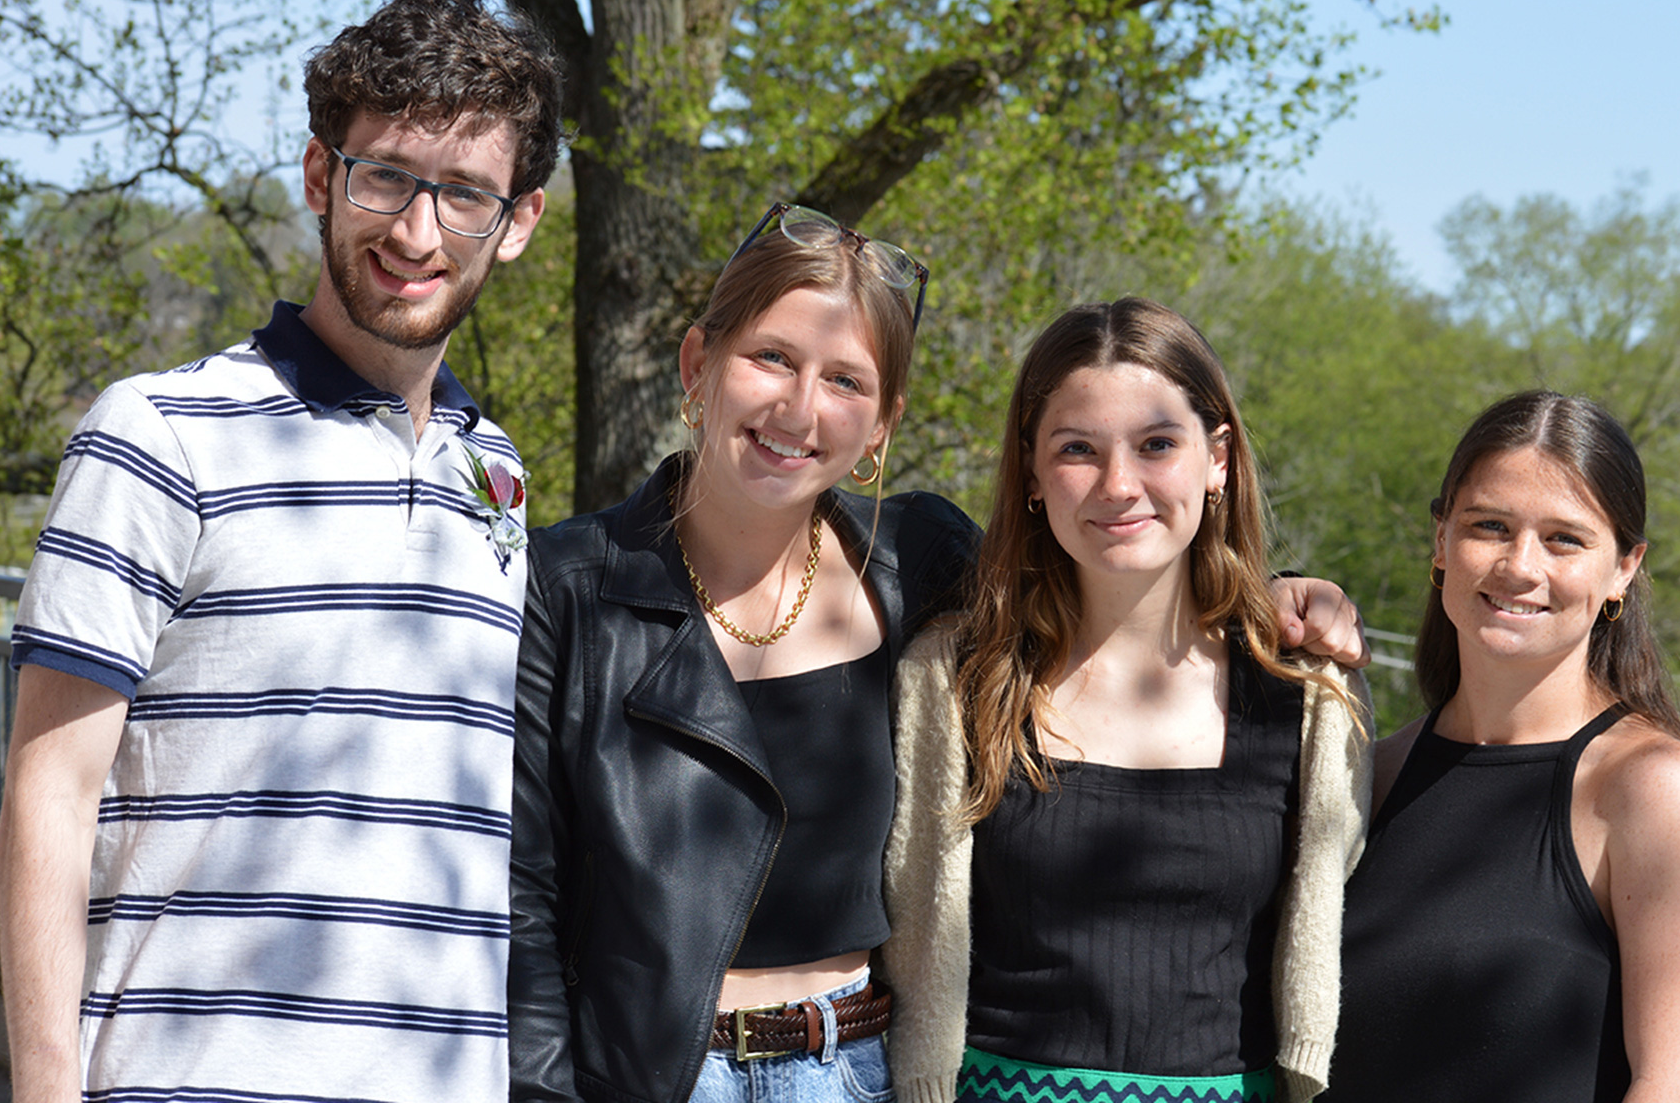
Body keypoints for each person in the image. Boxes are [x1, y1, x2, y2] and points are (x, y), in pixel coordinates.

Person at [508, 226, 1368, 1103]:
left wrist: (1281, 597)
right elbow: (520, 894)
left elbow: (1114, 567)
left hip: (858, 1068)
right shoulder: (568, 589)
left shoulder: (915, 560)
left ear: (884, 422)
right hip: (646, 1072)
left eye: (846, 380)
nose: (801, 410)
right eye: (771, 358)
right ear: (698, 364)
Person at [0, 0, 561, 1103]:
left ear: (517, 225)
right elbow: (45, 796)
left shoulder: (493, 474)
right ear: (321, 177)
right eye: (386, 177)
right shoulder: (157, 435)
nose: (416, 231)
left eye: (464, 196)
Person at [878, 296, 1374, 1103]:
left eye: (1156, 445)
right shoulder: (951, 677)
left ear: (1218, 459)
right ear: (1033, 470)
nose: (1118, 484)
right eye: (1078, 448)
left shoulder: (1308, 693)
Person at [1324, 390, 1680, 1103]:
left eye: (1564, 539)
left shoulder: (1651, 789)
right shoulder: (1371, 772)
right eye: (1489, 525)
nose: (1520, 566)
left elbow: (1679, 1088)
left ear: (1623, 568)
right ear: (1441, 540)